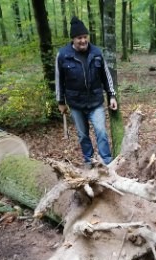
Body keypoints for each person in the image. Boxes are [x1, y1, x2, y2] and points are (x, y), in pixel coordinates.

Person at [55, 16, 117, 166]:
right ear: (73, 39)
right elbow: (59, 80)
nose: (82, 41)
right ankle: (88, 161)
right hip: (75, 103)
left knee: (101, 132)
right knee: (83, 135)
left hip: (95, 101)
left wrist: (112, 96)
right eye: (79, 38)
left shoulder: (96, 52)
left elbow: (106, 76)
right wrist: (60, 101)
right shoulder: (63, 55)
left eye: (84, 37)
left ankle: (107, 162)